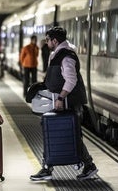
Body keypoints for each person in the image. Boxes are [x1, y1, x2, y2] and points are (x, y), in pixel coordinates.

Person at [30, 26, 98, 181]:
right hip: (61, 100)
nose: (46, 42)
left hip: (68, 101)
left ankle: (50, 168)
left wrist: (60, 98)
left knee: (69, 133)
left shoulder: (66, 56)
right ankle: (85, 165)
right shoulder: (58, 53)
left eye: (47, 39)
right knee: (66, 133)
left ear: (54, 40)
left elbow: (71, 80)